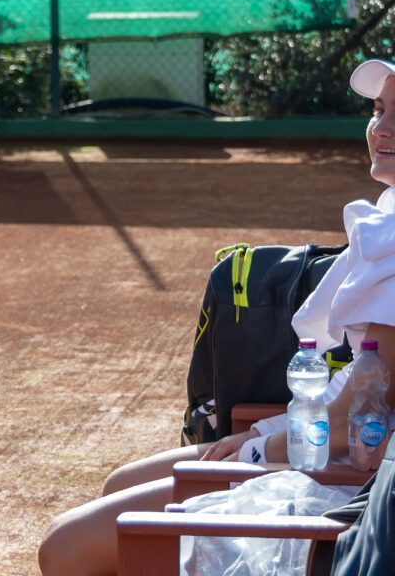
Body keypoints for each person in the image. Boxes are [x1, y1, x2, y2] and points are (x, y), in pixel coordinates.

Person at [38, 57, 395, 576]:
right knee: (118, 485)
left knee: (64, 548)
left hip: (352, 483)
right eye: (380, 110)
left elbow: (364, 420)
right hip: (329, 447)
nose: (382, 128)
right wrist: (262, 436)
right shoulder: (388, 215)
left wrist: (257, 447)